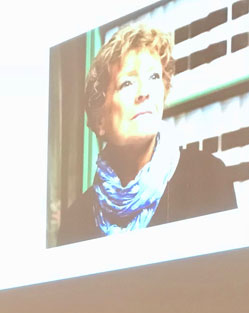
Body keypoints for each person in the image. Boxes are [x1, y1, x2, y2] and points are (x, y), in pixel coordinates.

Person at [57, 24, 237, 247]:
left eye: (153, 76)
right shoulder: (76, 221)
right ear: (99, 119)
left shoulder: (208, 177)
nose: (144, 92)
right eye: (127, 83)